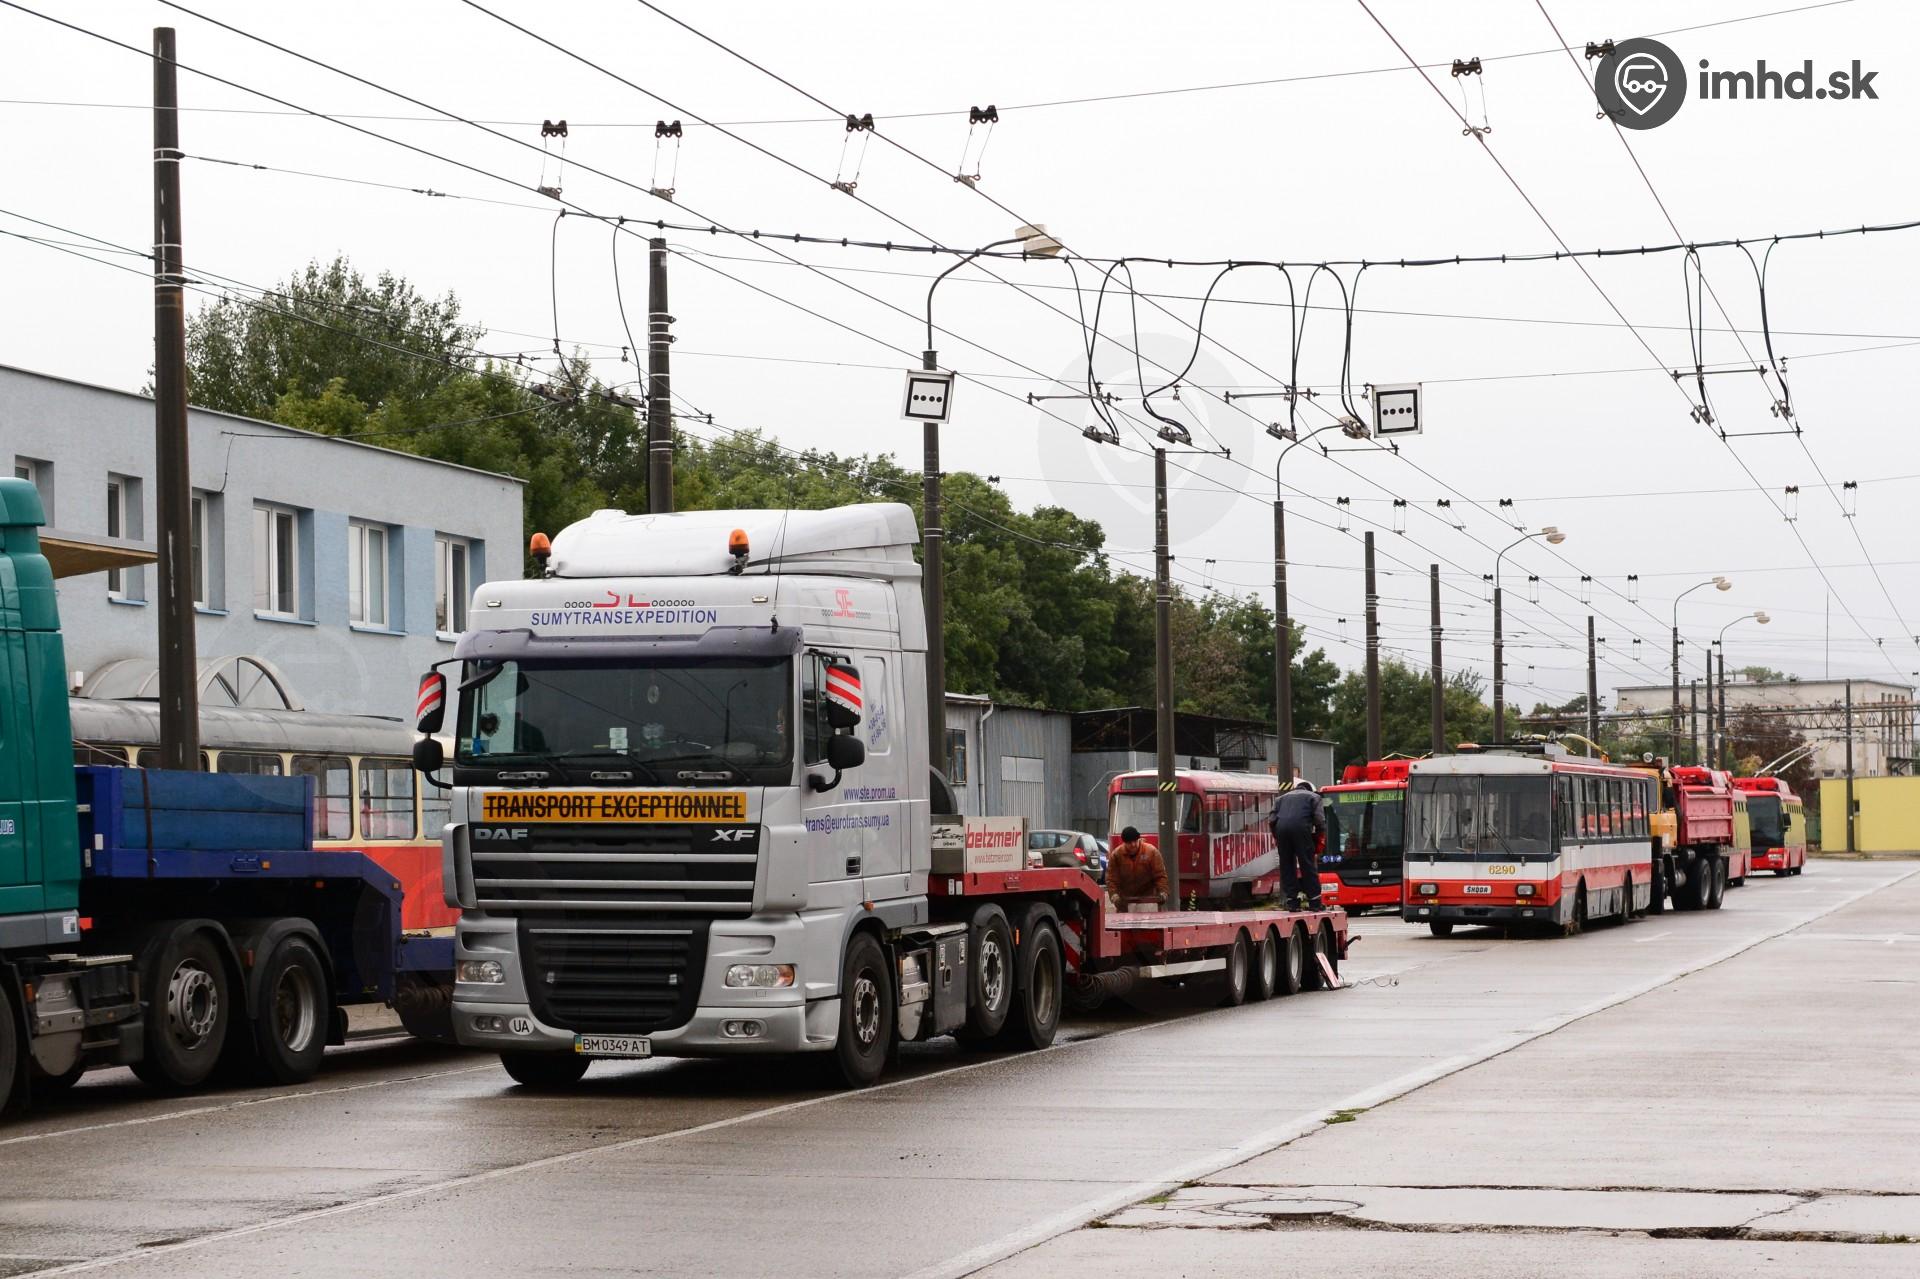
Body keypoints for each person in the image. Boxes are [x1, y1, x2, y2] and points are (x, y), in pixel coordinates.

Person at [1271, 778, 1326, 910]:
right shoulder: (1314, 797)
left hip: (1281, 830)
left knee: (1286, 865)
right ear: (1309, 789)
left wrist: (1277, 836)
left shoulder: (1280, 799)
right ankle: (1314, 902)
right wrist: (1319, 836)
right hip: (1301, 829)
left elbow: (1272, 820)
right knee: (1307, 864)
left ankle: (1292, 902)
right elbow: (1319, 820)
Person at [1106, 825, 1168, 909]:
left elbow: (1160, 875)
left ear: (1139, 839)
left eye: (1135, 841)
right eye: (1129, 842)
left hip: (1148, 900)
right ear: (1124, 842)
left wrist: (1163, 892)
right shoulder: (1116, 855)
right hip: (1125, 901)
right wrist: (1114, 896)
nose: (1133, 844)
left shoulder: (1151, 852)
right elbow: (1111, 879)